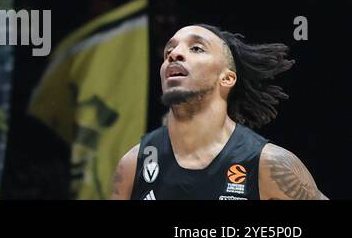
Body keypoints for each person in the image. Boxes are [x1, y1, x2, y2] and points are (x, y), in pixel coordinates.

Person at [109, 24, 326, 200]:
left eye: (196, 48)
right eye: (169, 51)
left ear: (227, 78)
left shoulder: (270, 164)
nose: (174, 54)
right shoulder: (133, 163)